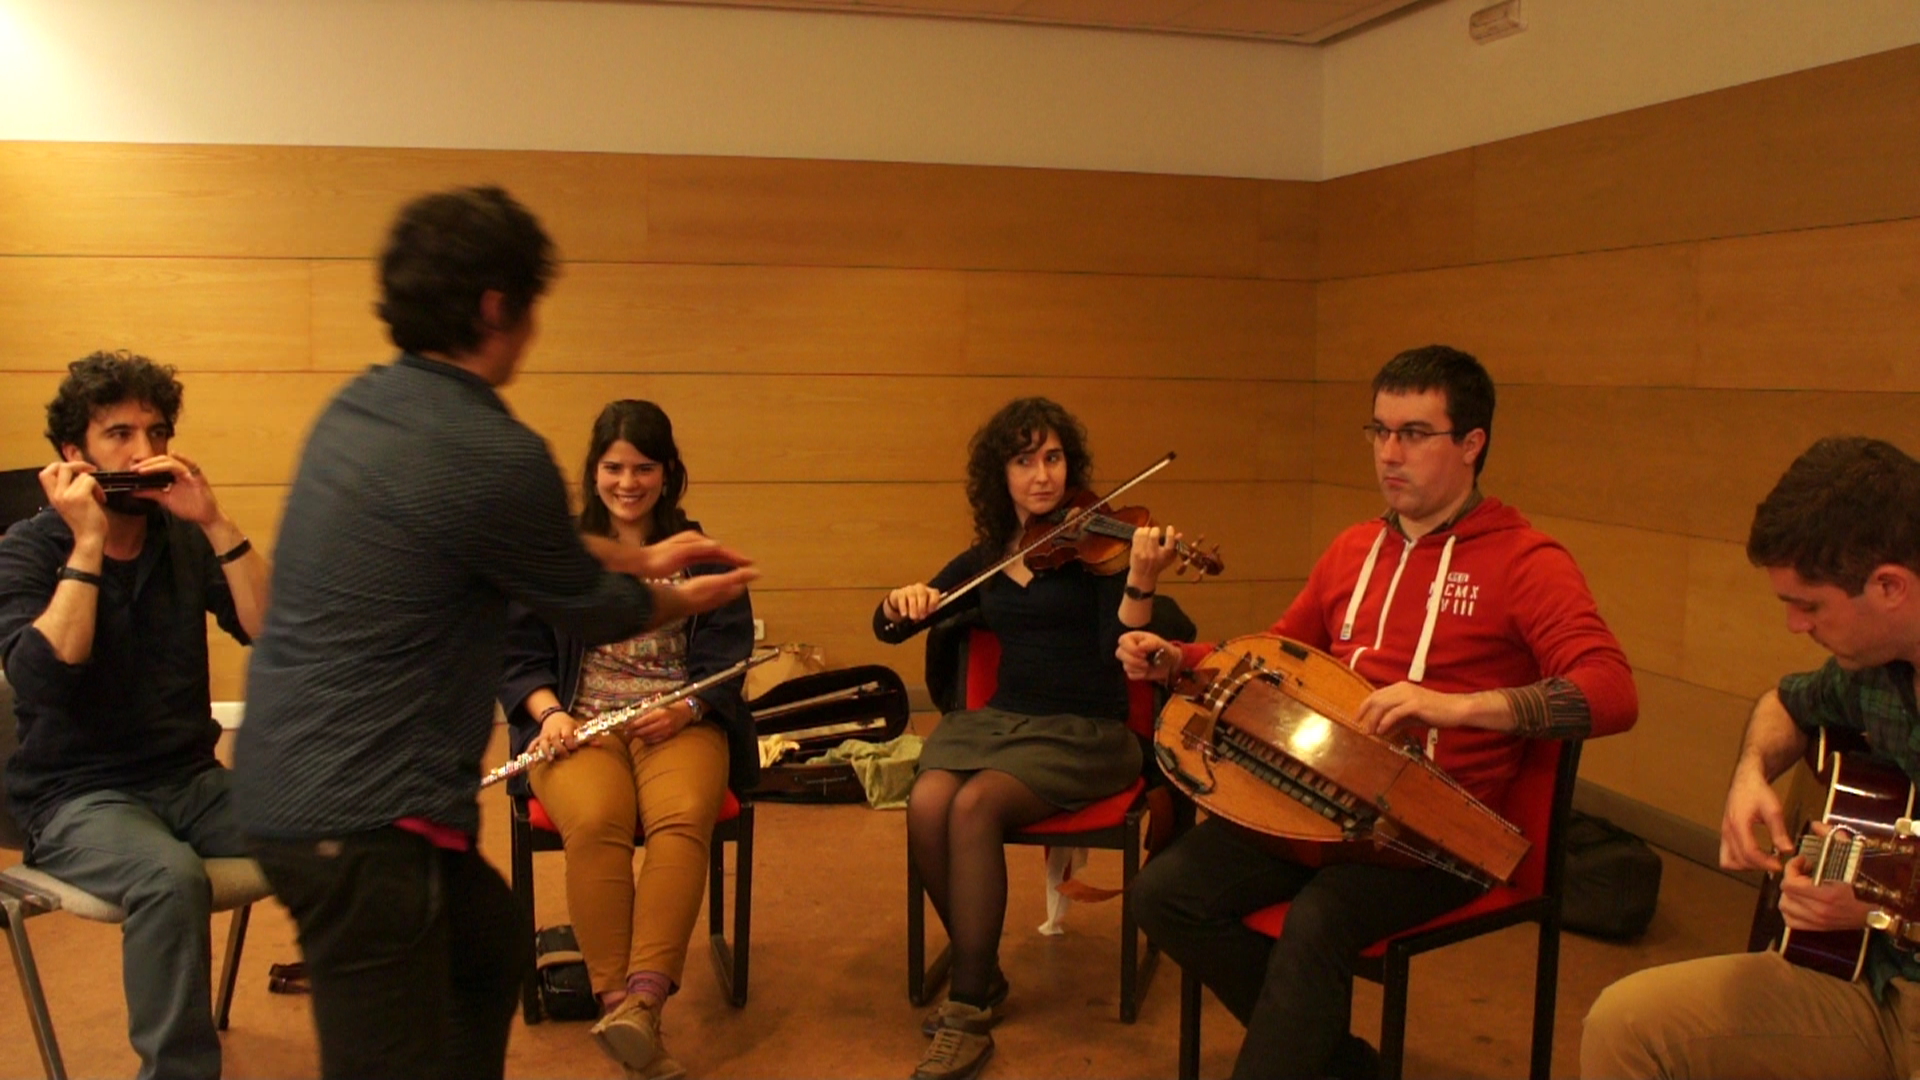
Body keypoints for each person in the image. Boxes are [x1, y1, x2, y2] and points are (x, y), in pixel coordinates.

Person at [232, 187, 755, 1080]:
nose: (534, 332)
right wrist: (690, 594)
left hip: (299, 784)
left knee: (487, 946)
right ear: (494, 307)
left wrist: (644, 556)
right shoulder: (494, 449)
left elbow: (521, 541)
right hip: (355, 814)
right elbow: (598, 610)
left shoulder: (361, 410)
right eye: (532, 309)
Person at [1119, 345, 1638, 1080]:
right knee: (1165, 893)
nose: (1389, 454)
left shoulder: (1526, 560)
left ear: (1471, 444)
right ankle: (1338, 1064)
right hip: (1311, 797)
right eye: (1380, 431)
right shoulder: (1353, 548)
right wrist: (1178, 657)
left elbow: (1612, 691)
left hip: (1431, 831)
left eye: (1414, 434)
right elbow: (1272, 656)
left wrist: (1457, 708)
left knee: (1320, 921)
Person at [1581, 436, 1920, 1080]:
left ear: (1890, 586)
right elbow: (1785, 702)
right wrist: (1750, 773)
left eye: (1809, 605)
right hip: (1866, 984)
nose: (1795, 625)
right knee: (1627, 1025)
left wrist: (1885, 903)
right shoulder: (1874, 672)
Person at [874, 396, 1184, 1080]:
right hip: (999, 721)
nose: (1042, 475)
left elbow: (1120, 648)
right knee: (927, 801)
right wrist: (904, 602)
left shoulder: (1103, 550)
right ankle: (981, 971)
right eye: (1023, 461)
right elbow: (891, 628)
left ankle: (967, 1011)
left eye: (1052, 457)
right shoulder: (990, 556)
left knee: (976, 805)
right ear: (1001, 477)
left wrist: (1140, 579)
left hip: (1087, 730)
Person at [0, 350, 270, 1080]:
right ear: (73, 455)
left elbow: (272, 630)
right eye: (119, 435)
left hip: (188, 780)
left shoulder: (181, 538)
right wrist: (88, 540)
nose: (144, 453)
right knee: (169, 878)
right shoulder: (27, 549)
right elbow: (47, 678)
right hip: (74, 798)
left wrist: (215, 523)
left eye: (156, 433)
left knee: (330, 821)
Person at [498, 399, 755, 1080]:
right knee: (598, 820)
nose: (628, 482)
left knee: (681, 820)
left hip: (680, 721)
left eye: (643, 467)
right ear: (595, 471)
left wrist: (690, 705)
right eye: (614, 467)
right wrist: (549, 715)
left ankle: (642, 1005)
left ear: (667, 473)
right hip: (578, 722)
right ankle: (616, 1000)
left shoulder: (698, 555)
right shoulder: (563, 555)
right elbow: (515, 650)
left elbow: (729, 659)